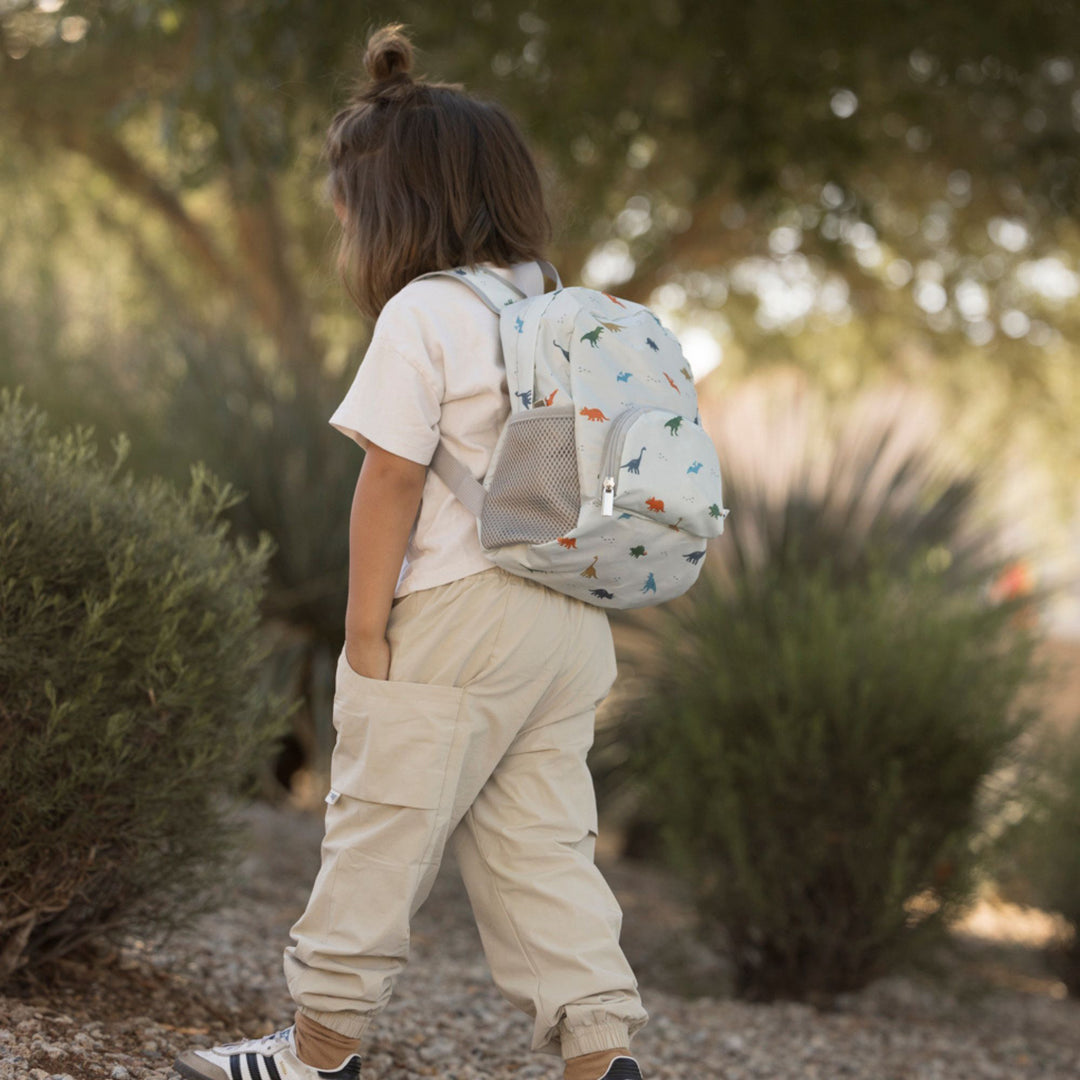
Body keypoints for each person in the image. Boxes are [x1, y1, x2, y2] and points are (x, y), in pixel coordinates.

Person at [174, 22, 648, 1080]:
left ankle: (316, 1051)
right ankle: (598, 1053)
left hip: (459, 609)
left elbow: (390, 478)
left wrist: (364, 632)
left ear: (392, 203)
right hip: (568, 617)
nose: (337, 215)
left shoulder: (424, 312)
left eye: (345, 195)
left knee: (379, 827)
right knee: (542, 847)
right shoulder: (552, 298)